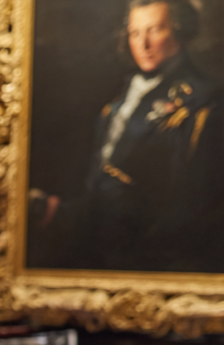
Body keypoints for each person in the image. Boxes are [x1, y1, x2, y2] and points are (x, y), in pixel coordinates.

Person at [30, 0, 223, 272]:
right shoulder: (118, 102)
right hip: (101, 250)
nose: (143, 44)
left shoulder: (204, 102)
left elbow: (189, 203)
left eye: (155, 30)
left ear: (180, 31)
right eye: (135, 33)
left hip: (154, 257)